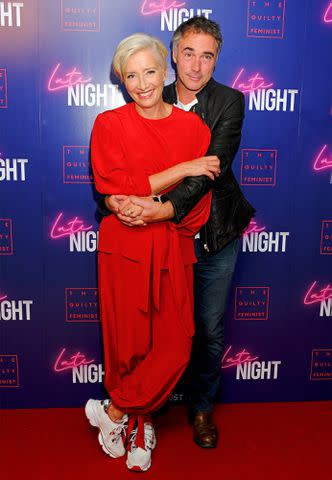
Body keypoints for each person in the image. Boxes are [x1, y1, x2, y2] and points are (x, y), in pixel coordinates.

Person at [99, 17, 255, 449]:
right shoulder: (151, 92)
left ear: (217, 60)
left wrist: (155, 210)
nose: (197, 65)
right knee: (149, 331)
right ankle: (143, 413)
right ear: (172, 56)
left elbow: (206, 174)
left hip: (215, 228)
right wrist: (114, 201)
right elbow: (123, 174)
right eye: (189, 53)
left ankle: (202, 407)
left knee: (205, 328)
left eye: (207, 56)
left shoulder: (229, 102)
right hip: (163, 240)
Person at [85, 33, 220, 472]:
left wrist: (153, 209)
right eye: (131, 75)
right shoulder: (108, 124)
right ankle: (140, 426)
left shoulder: (194, 129)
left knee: (176, 345)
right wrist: (181, 169)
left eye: (149, 71)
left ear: (166, 71)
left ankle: (113, 412)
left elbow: (196, 207)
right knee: (129, 346)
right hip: (123, 247)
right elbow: (114, 189)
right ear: (121, 80)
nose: (142, 83)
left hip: (171, 245)